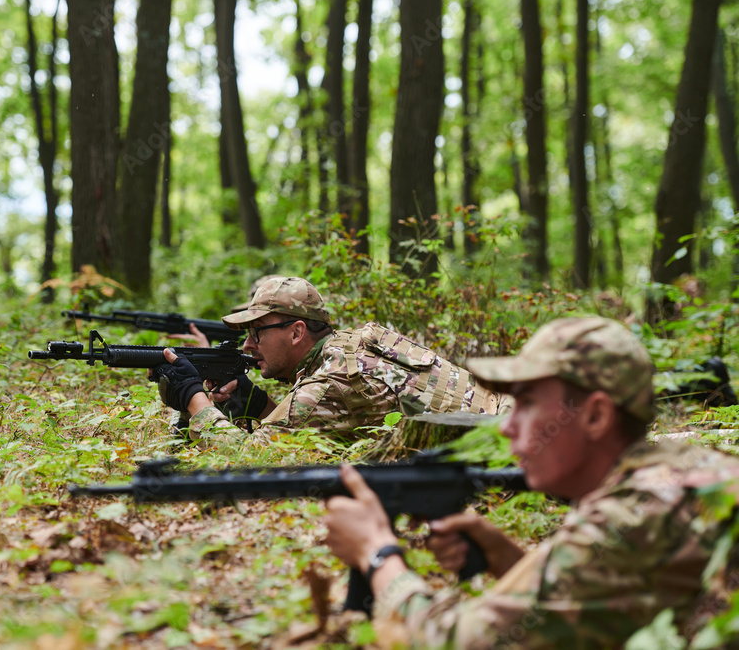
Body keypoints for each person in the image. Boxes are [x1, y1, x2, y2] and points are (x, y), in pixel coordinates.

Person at [324, 316, 739, 647]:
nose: (507, 428)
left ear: (595, 416)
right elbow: (596, 605)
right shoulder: (685, 468)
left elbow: (459, 643)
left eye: (526, 403)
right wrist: (509, 561)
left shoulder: (628, 517)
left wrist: (377, 553)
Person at [154, 276, 510, 448]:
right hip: (508, 415)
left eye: (257, 332)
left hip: (504, 454)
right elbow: (334, 421)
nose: (248, 344)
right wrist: (260, 405)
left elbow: (247, 459)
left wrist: (192, 397)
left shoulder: (326, 385)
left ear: (296, 333)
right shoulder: (357, 342)